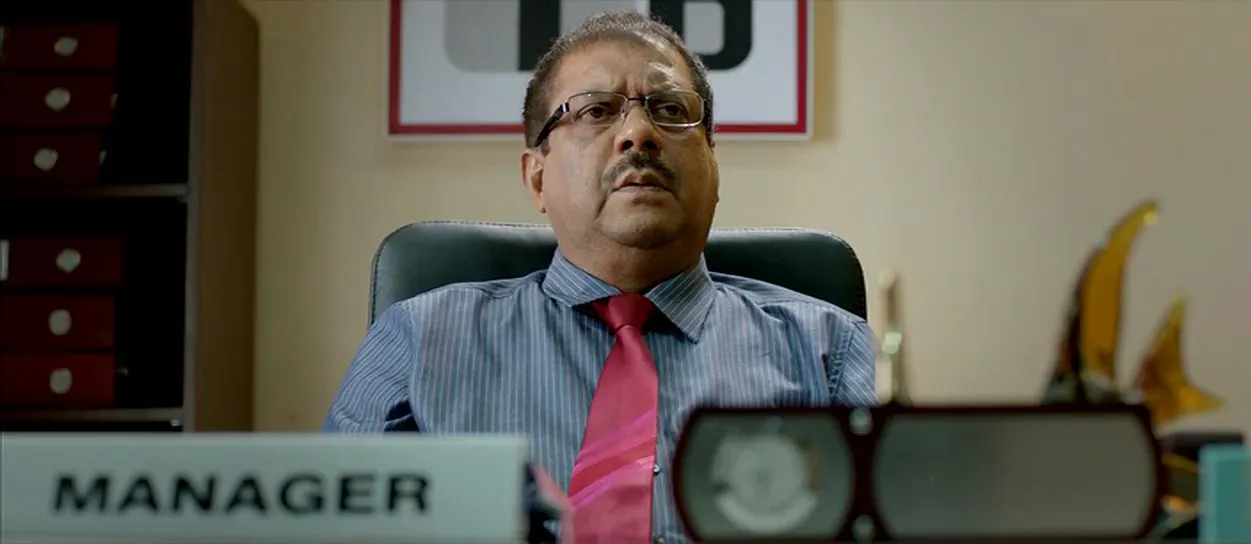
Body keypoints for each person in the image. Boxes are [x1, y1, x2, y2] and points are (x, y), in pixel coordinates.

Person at [324, 10, 878, 543]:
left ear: (714, 167)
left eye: (669, 109)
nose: (638, 132)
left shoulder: (825, 351)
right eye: (595, 110)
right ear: (536, 179)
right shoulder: (420, 339)